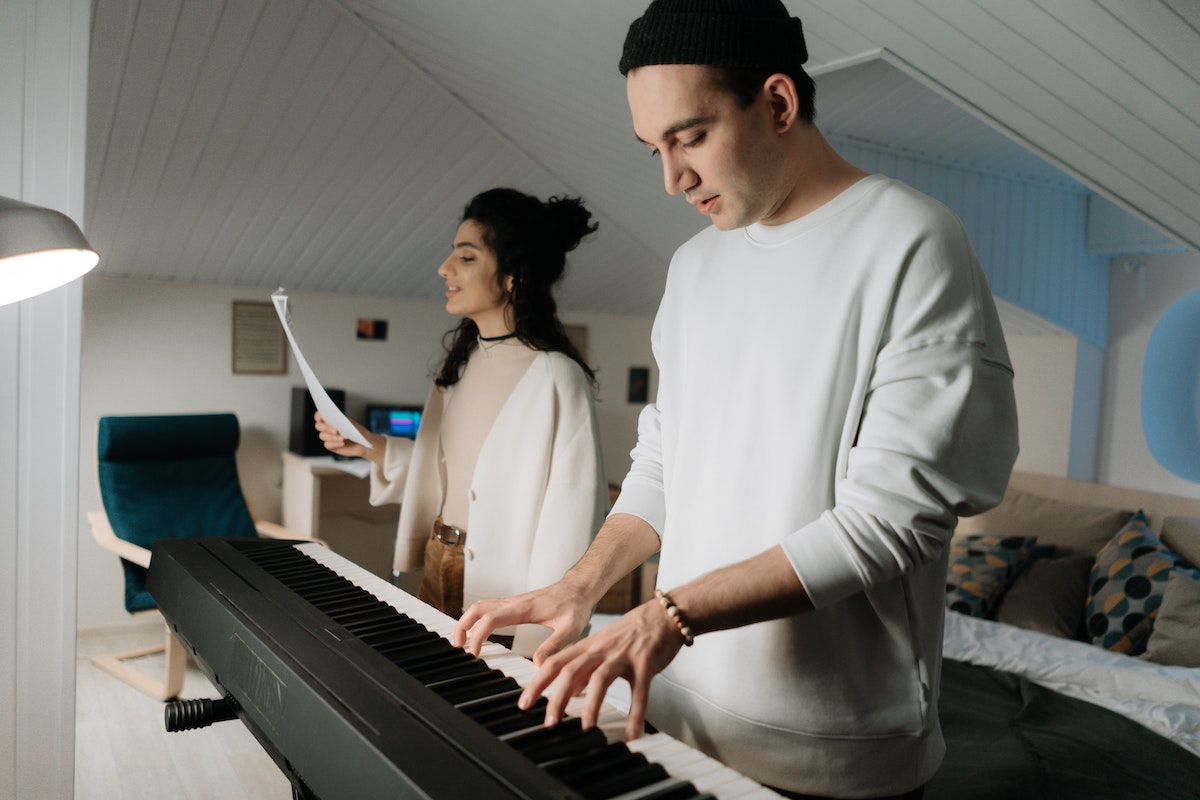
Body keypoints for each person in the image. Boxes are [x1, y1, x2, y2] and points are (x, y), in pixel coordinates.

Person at [451, 2, 1020, 798]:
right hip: (673, 714)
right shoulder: (693, 268)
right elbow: (663, 464)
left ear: (778, 103)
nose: (671, 178)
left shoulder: (912, 243)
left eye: (689, 137)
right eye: (654, 147)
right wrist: (583, 585)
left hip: (835, 749)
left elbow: (891, 522)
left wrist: (668, 615)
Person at [316, 187, 609, 658]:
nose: (444, 269)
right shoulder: (459, 366)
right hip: (439, 567)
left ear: (513, 274)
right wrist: (373, 447)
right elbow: (457, 473)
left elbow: (573, 520)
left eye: (466, 258)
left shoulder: (558, 377)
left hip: (504, 597)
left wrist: (542, 643)